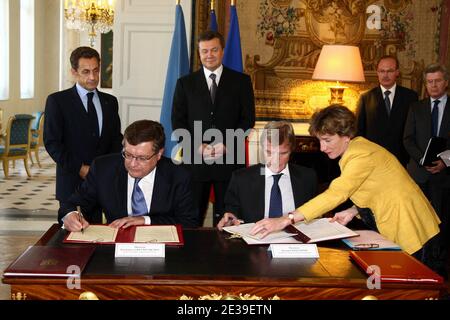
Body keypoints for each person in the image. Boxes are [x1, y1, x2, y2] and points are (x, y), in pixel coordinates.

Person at [250, 105, 441, 268]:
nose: (322, 148)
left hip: (413, 229)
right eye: (320, 141)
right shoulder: (357, 150)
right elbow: (377, 188)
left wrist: (285, 219)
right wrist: (352, 210)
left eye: (327, 140)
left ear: (346, 136)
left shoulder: (361, 155)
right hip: (406, 223)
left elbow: (336, 193)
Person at [172, 30, 255, 226]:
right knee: (191, 219)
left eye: (214, 50)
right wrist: (197, 146)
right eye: (204, 51)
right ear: (199, 53)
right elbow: (177, 122)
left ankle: (226, 257)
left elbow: (247, 120)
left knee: (227, 219)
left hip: (229, 161)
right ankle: (189, 257)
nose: (209, 55)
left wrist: (227, 145)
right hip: (195, 162)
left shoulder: (241, 82)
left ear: (222, 51)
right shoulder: (185, 84)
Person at [61, 120, 199, 231]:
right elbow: (73, 203)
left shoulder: (179, 175)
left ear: (159, 154)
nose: (132, 164)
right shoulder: (103, 168)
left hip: (163, 249)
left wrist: (145, 220)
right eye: (128, 155)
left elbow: (189, 222)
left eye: (142, 158)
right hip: (115, 246)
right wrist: (70, 215)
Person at [44, 46, 123, 223]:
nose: (93, 77)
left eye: (96, 70)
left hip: (104, 181)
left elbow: (115, 140)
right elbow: (52, 143)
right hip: (72, 182)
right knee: (72, 240)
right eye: (86, 72)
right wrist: (81, 168)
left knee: (102, 232)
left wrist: (111, 169)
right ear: (74, 72)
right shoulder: (57, 101)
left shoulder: (110, 101)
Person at [217, 121, 317, 229]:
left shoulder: (307, 178)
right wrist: (230, 220)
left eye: (283, 153)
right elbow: (232, 213)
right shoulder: (241, 179)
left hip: (297, 243)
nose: (275, 160)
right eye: (269, 152)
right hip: (256, 242)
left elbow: (315, 216)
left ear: (292, 149)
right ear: (262, 147)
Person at [404, 63, 450, 276]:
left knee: (441, 221)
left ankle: (438, 267)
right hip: (419, 174)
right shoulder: (416, 107)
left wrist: (445, 162)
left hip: (444, 175)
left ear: (445, 82)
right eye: (429, 82)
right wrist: (422, 160)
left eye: (437, 81)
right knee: (417, 219)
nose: (433, 85)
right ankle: (418, 262)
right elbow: (408, 139)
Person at [356, 55, 418, 167]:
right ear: (377, 73)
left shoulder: (411, 97)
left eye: (390, 71)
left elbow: (415, 130)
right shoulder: (366, 98)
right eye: (382, 71)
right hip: (373, 159)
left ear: (397, 72)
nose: (385, 75)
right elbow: (359, 132)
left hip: (402, 160)